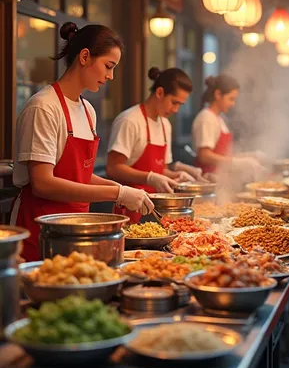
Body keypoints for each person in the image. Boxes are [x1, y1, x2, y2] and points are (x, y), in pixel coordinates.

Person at [11, 22, 154, 261]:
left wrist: (122, 190)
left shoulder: (88, 111)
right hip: (42, 232)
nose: (110, 76)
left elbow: (80, 175)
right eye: (108, 66)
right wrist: (117, 194)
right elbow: (43, 183)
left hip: (78, 232)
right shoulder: (44, 107)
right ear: (85, 56)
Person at [107, 67, 204, 223]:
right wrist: (149, 177)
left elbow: (161, 170)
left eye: (180, 105)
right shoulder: (130, 120)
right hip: (131, 210)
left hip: (159, 210)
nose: (176, 110)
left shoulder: (166, 124)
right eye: (174, 102)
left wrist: (177, 177)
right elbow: (113, 167)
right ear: (159, 93)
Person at [192, 74, 265, 179]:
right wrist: (237, 162)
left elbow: (224, 155)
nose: (233, 104)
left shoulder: (219, 118)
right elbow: (204, 156)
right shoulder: (206, 118)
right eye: (231, 99)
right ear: (217, 94)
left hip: (222, 179)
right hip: (209, 180)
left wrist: (249, 156)